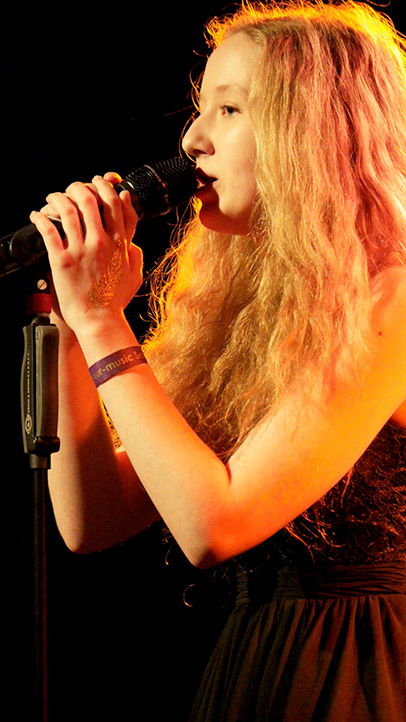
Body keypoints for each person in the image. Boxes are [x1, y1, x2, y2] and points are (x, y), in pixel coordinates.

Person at [30, 1, 406, 720]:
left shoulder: (393, 298)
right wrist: (74, 324)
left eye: (229, 110)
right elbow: (92, 519)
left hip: (357, 669)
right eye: (202, 110)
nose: (192, 139)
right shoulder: (246, 309)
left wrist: (104, 321)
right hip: (257, 660)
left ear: (313, 135)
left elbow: (213, 526)